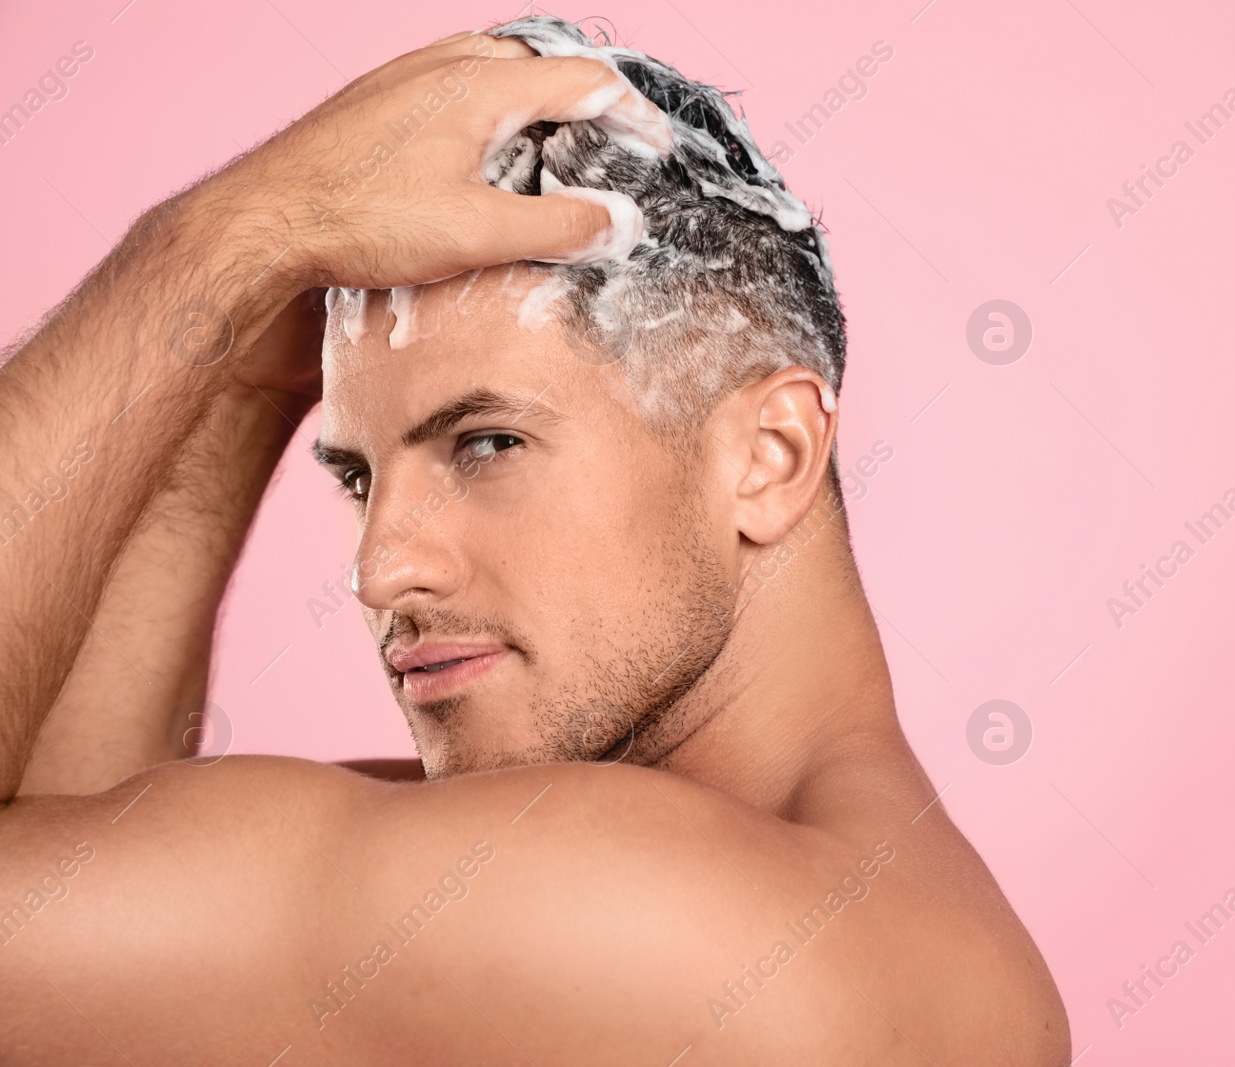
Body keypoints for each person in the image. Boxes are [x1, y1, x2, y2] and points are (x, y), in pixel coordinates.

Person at [0, 17, 1069, 1063]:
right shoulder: (902, 920)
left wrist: (216, 242)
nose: (381, 570)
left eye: (485, 443)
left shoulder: (660, 920)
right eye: (362, 478)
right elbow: (73, 883)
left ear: (769, 454)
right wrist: (236, 374)